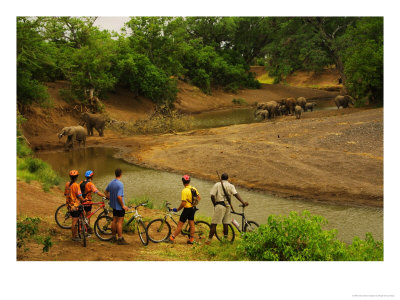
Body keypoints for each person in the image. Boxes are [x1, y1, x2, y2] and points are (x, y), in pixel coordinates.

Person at [206, 173, 248, 244]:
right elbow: (236, 194)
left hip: (220, 205)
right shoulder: (231, 186)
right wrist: (243, 202)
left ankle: (209, 240)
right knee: (226, 223)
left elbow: (212, 196)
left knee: (214, 224)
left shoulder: (217, 184)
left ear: (221, 178)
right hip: (227, 206)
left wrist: (215, 204)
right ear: (227, 179)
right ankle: (225, 239)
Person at [167, 174, 201, 245]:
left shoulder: (184, 191)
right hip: (192, 209)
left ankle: (172, 238)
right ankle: (191, 240)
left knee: (180, 225)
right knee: (192, 224)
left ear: (183, 182)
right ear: (189, 181)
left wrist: (177, 209)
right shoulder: (194, 188)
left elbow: (183, 203)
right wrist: (193, 204)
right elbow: (199, 198)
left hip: (187, 210)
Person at [104, 168, 128, 245]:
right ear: (121, 174)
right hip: (119, 207)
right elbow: (119, 196)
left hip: (113, 205)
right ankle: (120, 239)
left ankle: (113, 237)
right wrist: (123, 206)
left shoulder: (111, 183)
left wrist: (108, 197)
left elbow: (105, 191)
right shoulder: (120, 184)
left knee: (114, 220)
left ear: (115, 174)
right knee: (120, 222)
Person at [64, 170, 85, 242]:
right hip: (75, 205)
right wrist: (84, 199)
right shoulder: (76, 185)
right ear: (76, 177)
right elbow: (80, 196)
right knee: (74, 222)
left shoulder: (67, 184)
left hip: (69, 205)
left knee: (74, 220)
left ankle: (75, 234)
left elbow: (65, 194)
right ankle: (74, 236)